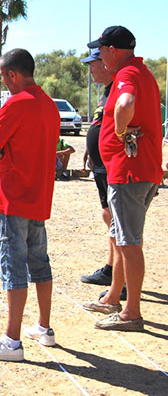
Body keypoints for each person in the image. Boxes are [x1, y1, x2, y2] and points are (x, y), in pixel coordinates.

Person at [0, 48, 60, 362]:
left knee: (13, 267)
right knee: (40, 262)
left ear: (12, 74)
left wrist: (0, 155)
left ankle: (12, 341)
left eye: (4, 76)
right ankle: (44, 328)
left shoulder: (16, 103)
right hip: (40, 196)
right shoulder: (51, 105)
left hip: (13, 197)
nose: (5, 83)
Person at [82, 26, 162, 332]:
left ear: (112, 50)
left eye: (101, 51)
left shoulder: (128, 74)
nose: (99, 58)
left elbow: (126, 104)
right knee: (120, 236)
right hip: (135, 171)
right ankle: (113, 297)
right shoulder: (140, 71)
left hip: (130, 172)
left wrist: (118, 131)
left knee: (129, 243)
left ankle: (131, 313)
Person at [78, 48, 126, 300]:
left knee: (118, 223)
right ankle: (111, 269)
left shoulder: (120, 87)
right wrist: (90, 149)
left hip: (113, 166)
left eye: (93, 64)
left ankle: (123, 276)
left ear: (106, 64)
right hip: (100, 166)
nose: (90, 69)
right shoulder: (108, 92)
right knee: (109, 217)